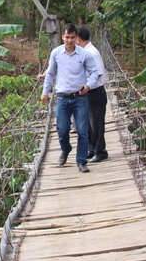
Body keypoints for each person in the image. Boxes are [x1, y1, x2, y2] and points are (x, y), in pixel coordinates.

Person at [41, 23, 100, 173]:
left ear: (76, 38)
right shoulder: (56, 53)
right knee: (62, 129)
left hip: (79, 97)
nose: (69, 40)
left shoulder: (85, 54)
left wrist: (88, 85)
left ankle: (81, 161)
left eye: (72, 37)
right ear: (62, 37)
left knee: (82, 131)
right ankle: (65, 149)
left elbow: (94, 72)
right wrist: (45, 92)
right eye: (67, 37)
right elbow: (50, 73)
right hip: (62, 98)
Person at [76, 26, 108, 163]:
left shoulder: (92, 53)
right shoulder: (84, 52)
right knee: (88, 123)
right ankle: (92, 149)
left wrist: (87, 85)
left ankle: (101, 151)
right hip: (88, 92)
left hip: (96, 92)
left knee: (96, 123)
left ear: (78, 38)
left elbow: (98, 72)